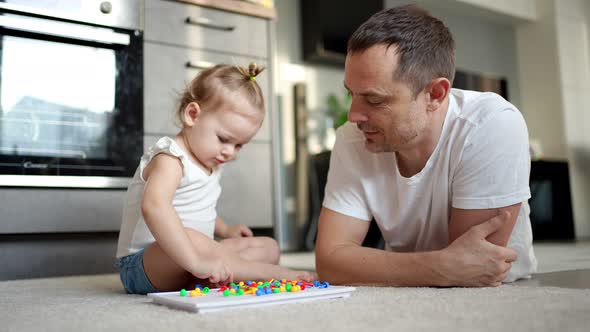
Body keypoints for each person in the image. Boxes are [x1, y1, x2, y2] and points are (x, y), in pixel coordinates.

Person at [315, 5, 537, 287]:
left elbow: (477, 266)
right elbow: (330, 263)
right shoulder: (351, 138)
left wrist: (370, 265)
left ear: (435, 94)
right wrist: (440, 266)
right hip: (404, 293)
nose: (353, 115)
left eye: (374, 100)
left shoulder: (492, 123)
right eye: (351, 94)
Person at [116, 63, 315, 294]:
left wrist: (226, 230)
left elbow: (200, 207)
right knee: (190, 236)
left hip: (194, 260)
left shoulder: (209, 160)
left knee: (268, 247)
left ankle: (207, 277)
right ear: (192, 115)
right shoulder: (171, 158)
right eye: (224, 139)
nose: (230, 152)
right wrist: (196, 261)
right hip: (144, 266)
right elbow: (154, 206)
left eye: (239, 145)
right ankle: (267, 273)